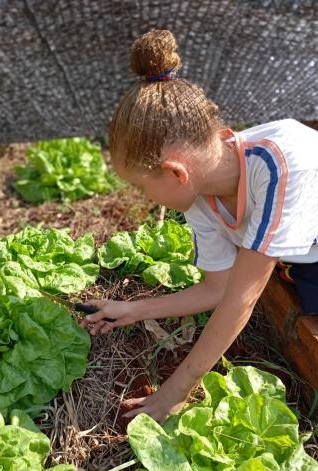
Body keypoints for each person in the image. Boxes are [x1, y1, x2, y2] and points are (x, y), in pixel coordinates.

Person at [81, 29, 318, 424]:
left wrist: (175, 391)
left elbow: (242, 298)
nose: (144, 197)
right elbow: (218, 287)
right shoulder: (199, 193)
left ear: (175, 172)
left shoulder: (282, 165)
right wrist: (134, 309)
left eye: (142, 186)